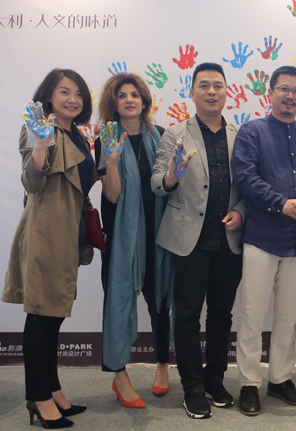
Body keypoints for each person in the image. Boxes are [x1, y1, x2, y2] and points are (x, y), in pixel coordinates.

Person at [3, 69, 97, 428]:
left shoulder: (78, 135)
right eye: (64, 92)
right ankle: (38, 397)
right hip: (46, 232)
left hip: (69, 232)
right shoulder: (39, 129)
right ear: (48, 96)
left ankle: (53, 389)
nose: (72, 99)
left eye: (78, 93)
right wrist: (40, 146)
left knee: (53, 315)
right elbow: (31, 182)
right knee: (42, 316)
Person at [151, 62, 245, 419]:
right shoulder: (175, 134)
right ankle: (191, 387)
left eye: (217, 85)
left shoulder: (240, 135)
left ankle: (214, 380)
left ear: (226, 92)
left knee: (221, 315)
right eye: (203, 85)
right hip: (188, 240)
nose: (211, 91)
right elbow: (157, 183)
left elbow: (249, 185)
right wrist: (171, 177)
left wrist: (242, 213)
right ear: (191, 92)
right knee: (187, 316)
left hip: (229, 241)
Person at [231, 65, 296, 416]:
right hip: (261, 239)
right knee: (252, 314)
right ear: (270, 93)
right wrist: (281, 203)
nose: (290, 96)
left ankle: (280, 379)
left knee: (288, 316)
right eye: (283, 89)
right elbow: (245, 177)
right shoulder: (252, 131)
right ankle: (249, 383)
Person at [95, 73, 173, 409]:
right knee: (118, 302)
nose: (129, 100)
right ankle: (119, 375)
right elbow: (112, 196)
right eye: (122, 95)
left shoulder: (161, 136)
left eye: (135, 94)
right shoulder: (105, 139)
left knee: (160, 302)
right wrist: (111, 163)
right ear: (113, 103)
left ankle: (162, 365)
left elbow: (169, 186)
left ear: (144, 101)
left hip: (158, 235)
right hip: (121, 238)